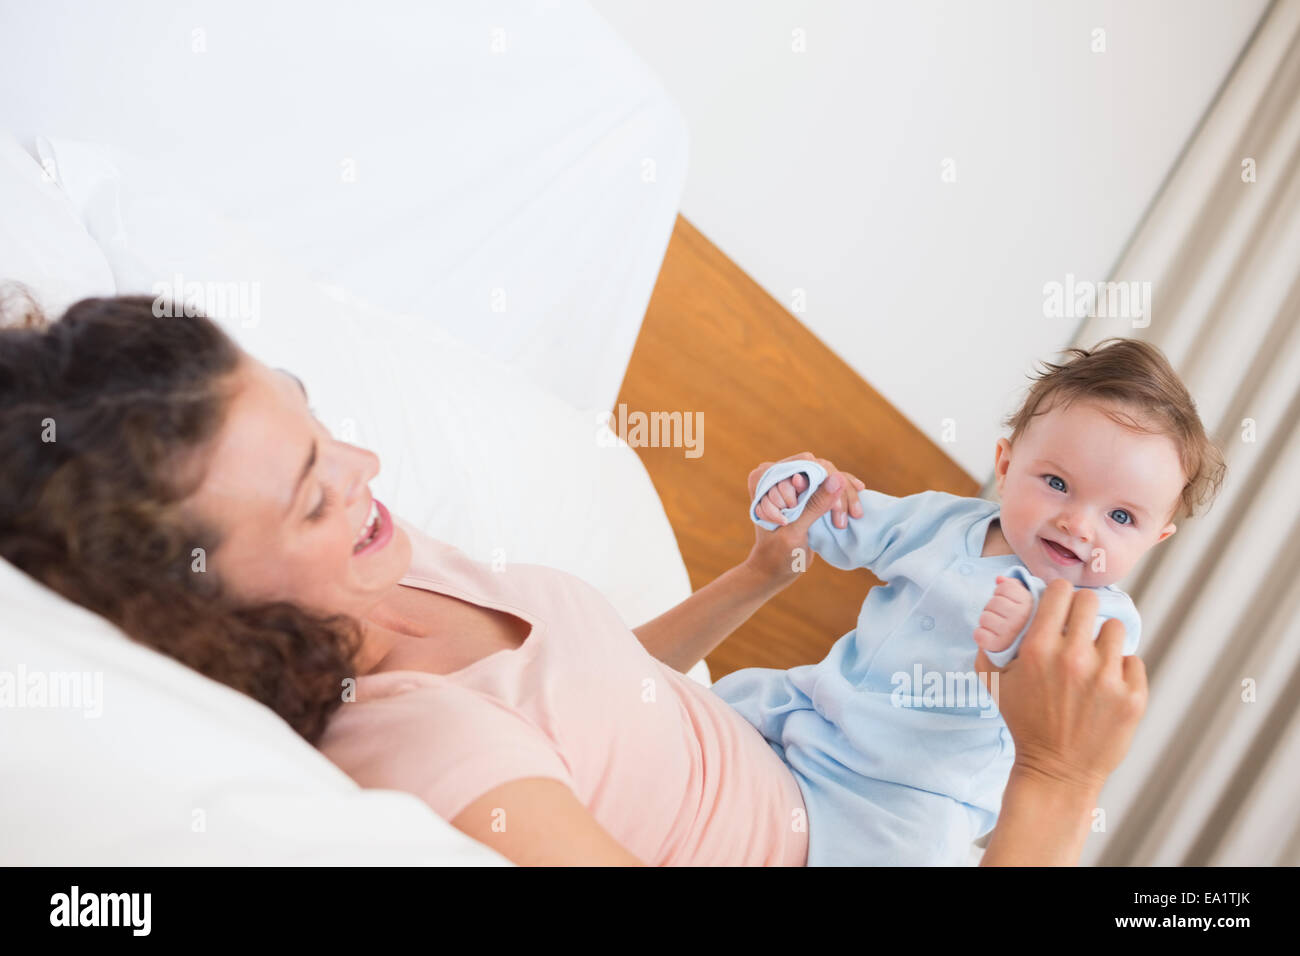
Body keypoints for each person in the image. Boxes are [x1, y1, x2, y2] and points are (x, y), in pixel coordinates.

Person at [0, 294, 1149, 865]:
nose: (365, 467)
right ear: (197, 602)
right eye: (310, 490)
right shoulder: (410, 734)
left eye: (318, 421)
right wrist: (1050, 776)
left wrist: (755, 573)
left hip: (787, 750)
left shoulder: (386, 564)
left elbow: (606, 696)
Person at [715, 339, 1224, 864]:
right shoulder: (940, 520)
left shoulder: (1100, 617)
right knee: (722, 702)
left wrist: (1026, 641)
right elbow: (843, 519)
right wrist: (797, 493)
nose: (1079, 524)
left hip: (910, 793)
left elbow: (1071, 696)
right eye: (1056, 483)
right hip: (814, 711)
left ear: (1154, 540)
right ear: (1005, 466)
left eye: (1120, 517)